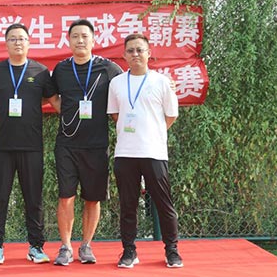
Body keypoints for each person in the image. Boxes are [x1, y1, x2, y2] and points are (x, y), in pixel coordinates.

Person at [0, 23, 59, 265]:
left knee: (34, 199)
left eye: (22, 38)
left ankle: (36, 246)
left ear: (29, 43)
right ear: (6, 43)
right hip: (3, 146)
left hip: (31, 146)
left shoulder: (40, 71)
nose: (18, 42)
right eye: (13, 39)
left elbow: (53, 100)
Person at [107, 33, 182, 268]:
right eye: (130, 50)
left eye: (140, 50)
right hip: (125, 153)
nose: (135, 54)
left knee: (163, 204)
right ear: (124, 55)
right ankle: (129, 251)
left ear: (149, 53)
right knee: (128, 206)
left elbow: (171, 115)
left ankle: (172, 251)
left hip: (154, 152)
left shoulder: (161, 82)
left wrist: (152, 131)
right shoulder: (117, 83)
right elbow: (115, 114)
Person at [51, 18, 122, 266]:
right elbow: (52, 97)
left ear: (93, 40)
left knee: (92, 198)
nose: (80, 40)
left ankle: (86, 246)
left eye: (84, 36)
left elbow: (128, 88)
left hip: (97, 145)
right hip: (67, 144)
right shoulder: (61, 69)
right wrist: (68, 116)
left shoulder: (108, 68)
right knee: (66, 196)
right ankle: (66, 247)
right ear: (68, 40)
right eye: (75, 36)